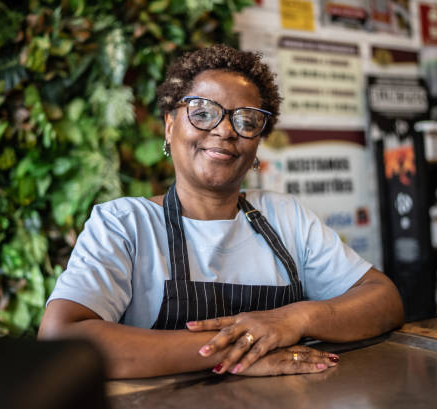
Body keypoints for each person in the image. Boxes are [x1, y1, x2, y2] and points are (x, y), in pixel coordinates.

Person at [38, 44, 404, 379]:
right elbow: (62, 340)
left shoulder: (286, 217)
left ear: (258, 141)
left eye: (246, 120)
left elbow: (383, 299)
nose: (225, 130)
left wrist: (294, 318)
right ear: (169, 126)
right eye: (203, 113)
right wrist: (239, 349)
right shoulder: (124, 224)